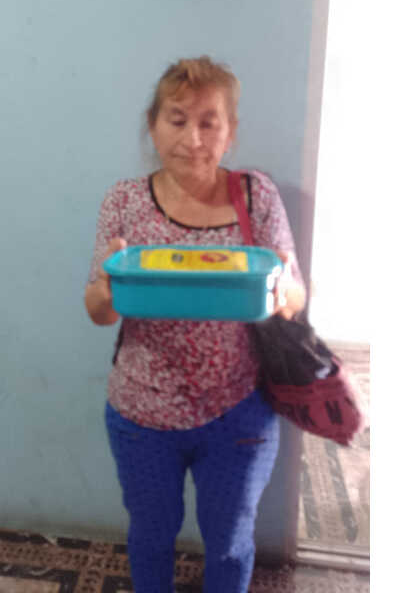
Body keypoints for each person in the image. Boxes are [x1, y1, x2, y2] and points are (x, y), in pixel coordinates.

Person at [84, 57, 306, 593]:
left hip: (239, 413)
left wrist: (282, 291)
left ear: (230, 132)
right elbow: (99, 310)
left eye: (210, 122)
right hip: (142, 412)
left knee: (230, 544)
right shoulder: (124, 201)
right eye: (178, 119)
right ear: (153, 125)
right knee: (151, 537)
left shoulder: (256, 195)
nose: (193, 138)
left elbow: (296, 295)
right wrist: (107, 289)